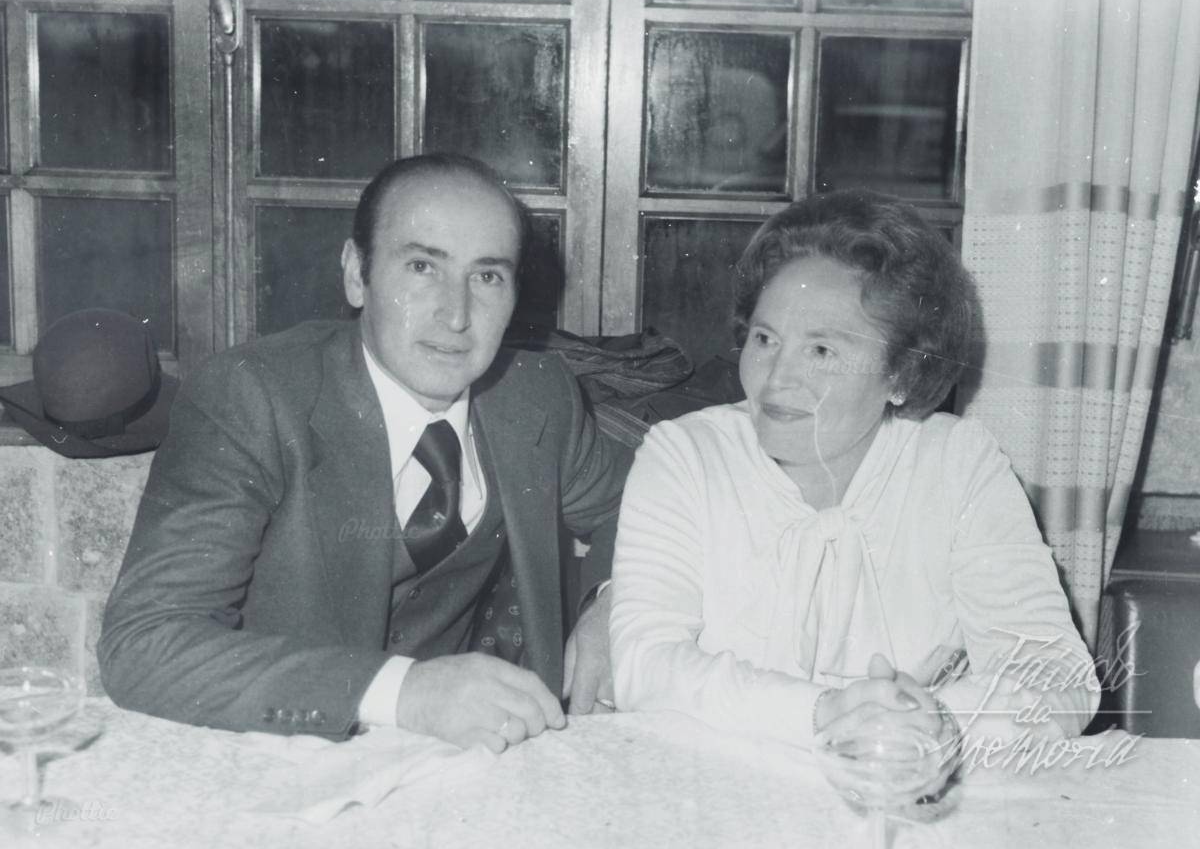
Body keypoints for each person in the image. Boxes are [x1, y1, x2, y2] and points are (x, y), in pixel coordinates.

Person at [100, 154, 631, 753]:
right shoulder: (253, 397)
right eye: (422, 266)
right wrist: (404, 693)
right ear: (358, 275)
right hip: (287, 754)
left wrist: (611, 604)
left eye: (487, 277)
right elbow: (142, 643)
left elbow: (640, 506)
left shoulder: (536, 395)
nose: (456, 316)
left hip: (471, 763)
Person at [609, 189, 1099, 761]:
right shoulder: (686, 456)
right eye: (765, 339)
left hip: (906, 786)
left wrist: (932, 720)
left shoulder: (957, 462)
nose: (776, 379)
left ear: (902, 374)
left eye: (821, 350)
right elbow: (645, 665)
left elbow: (1057, 673)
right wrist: (825, 714)